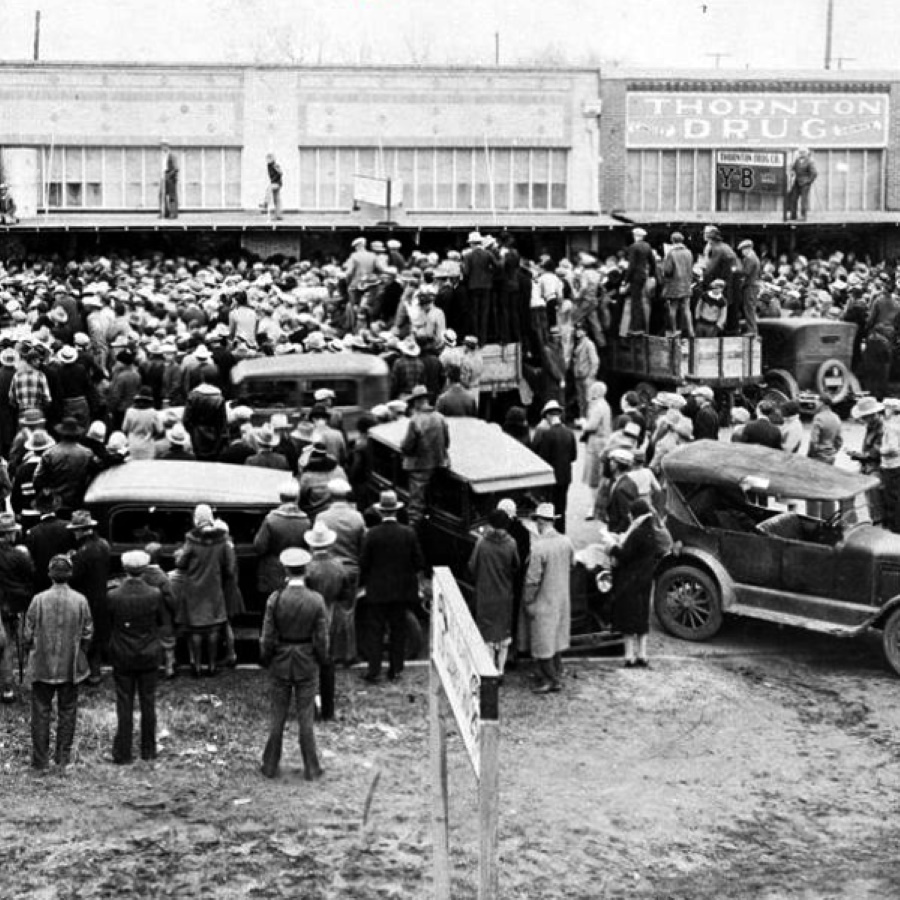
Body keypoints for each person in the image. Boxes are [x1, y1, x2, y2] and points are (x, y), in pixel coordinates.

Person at [259, 547, 329, 780]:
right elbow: (322, 638)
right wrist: (321, 658)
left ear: (286, 571)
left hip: (280, 661)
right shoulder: (316, 600)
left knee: (277, 716)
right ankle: (312, 767)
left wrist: (267, 658)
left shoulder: (275, 598)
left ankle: (270, 765)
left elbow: (267, 636)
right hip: (306, 662)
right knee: (306, 717)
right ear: (306, 570)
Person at [23, 554, 93, 771]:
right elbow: (88, 633)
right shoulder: (80, 600)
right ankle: (62, 758)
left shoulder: (38, 600)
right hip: (70, 667)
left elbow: (27, 634)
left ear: (50, 574)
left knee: (40, 712)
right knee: (68, 711)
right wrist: (80, 654)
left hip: (41, 665)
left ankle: (40, 761)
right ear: (70, 574)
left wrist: (32, 651)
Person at [359, 490, 424, 684]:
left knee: (375, 631)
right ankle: (396, 669)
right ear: (396, 510)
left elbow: (364, 563)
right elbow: (419, 561)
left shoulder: (372, 534)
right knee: (399, 629)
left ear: (380, 511)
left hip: (377, 591)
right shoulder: (408, 533)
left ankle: (374, 670)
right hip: (402, 591)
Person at [107, 550, 165, 764]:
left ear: (125, 569)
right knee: (148, 701)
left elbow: (109, 622)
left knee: (124, 702)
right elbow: (161, 621)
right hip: (148, 652)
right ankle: (148, 749)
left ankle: (123, 752)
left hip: (122, 653)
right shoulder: (155, 594)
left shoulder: (113, 595)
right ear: (144, 569)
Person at [610, 498, 672, 668]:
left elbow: (625, 555)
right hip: (645, 579)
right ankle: (642, 654)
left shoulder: (637, 533)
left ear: (635, 515)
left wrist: (612, 548)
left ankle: (629, 656)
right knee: (642, 616)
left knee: (628, 617)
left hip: (631, 580)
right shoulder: (651, 531)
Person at [177, 504, 237, 677]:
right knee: (213, 628)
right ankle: (211, 665)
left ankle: (196, 666)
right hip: (214, 586)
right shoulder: (222, 539)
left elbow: (181, 563)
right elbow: (230, 568)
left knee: (196, 628)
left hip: (193, 588)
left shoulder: (191, 539)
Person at [522, 503, 573, 694]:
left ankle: (550, 679)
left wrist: (528, 600)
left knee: (542, 642)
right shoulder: (566, 542)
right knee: (556, 640)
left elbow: (532, 580)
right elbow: (572, 564)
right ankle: (557, 671)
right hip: (561, 599)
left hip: (543, 600)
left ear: (540, 522)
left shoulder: (539, 548)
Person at [304, 521, 352, 722]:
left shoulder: (308, 567)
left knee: (308, 660)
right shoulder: (338, 566)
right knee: (328, 661)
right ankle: (328, 708)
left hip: (310, 616)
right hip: (331, 613)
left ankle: (309, 705)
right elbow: (346, 594)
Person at [316, 478, 366, 665]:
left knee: (327, 609)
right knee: (347, 611)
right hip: (351, 567)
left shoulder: (322, 518)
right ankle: (348, 653)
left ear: (330, 495)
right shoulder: (357, 517)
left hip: (328, 567)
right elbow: (363, 545)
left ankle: (327, 651)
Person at [468, 508, 519, 676]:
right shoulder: (511, 543)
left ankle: (490, 670)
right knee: (503, 635)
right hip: (504, 595)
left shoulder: (482, 543)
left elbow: (472, 566)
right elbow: (516, 566)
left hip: (485, 595)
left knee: (487, 636)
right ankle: (501, 669)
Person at [68, 509, 111, 686]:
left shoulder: (83, 552)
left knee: (84, 636)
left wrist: (71, 560)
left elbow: (74, 577)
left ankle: (84, 672)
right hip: (101, 595)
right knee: (97, 636)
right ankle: (96, 672)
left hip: (85, 597)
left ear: (80, 530)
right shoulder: (103, 545)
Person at [401, 384, 450, 527]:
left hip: (420, 467)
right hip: (439, 464)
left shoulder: (415, 420)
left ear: (417, 401)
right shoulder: (440, 418)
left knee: (416, 504)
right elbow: (447, 442)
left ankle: (413, 528)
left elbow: (408, 446)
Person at [253, 481, 311, 601]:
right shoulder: (306, 521)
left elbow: (259, 547)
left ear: (280, 497)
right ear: (298, 498)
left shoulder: (271, 520)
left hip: (273, 572)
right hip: (296, 570)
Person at [0, 512, 34, 702]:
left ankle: (6, 687)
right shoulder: (18, 556)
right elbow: (30, 575)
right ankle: (8, 688)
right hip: (10, 606)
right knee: (9, 647)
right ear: (9, 534)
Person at [531, 399, 577, 531]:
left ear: (548, 416)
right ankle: (561, 530)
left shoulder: (548, 434)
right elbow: (574, 456)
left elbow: (543, 458)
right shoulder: (570, 432)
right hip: (566, 476)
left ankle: (551, 531)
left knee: (550, 506)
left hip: (552, 477)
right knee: (562, 506)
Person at [623, 227, 656, 334]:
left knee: (635, 302)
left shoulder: (633, 247)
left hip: (635, 276)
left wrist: (625, 280)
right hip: (643, 275)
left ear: (635, 236)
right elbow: (653, 262)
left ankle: (636, 327)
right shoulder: (647, 246)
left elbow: (631, 265)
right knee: (641, 301)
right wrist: (651, 274)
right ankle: (642, 326)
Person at [661, 232, 694, 337]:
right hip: (686, 284)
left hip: (674, 284)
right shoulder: (689, 252)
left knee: (673, 308)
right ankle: (691, 331)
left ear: (672, 240)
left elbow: (668, 270)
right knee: (687, 308)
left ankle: (674, 330)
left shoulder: (671, 253)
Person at [880, 399, 900, 532]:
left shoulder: (891, 426)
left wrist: (881, 450)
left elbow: (893, 448)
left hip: (891, 465)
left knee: (891, 497)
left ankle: (894, 527)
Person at [807, 395, 843, 466]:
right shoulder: (836, 417)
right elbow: (839, 440)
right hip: (831, 456)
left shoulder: (819, 418)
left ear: (822, 403)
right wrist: (833, 452)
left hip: (818, 456)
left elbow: (813, 441)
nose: (815, 403)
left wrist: (810, 455)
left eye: (817, 401)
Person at [786, 146, 817, 221]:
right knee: (793, 199)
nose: (801, 154)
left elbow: (814, 173)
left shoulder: (810, 161)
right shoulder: (797, 160)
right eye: (800, 152)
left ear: (806, 153)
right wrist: (791, 170)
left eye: (803, 152)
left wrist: (808, 181)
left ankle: (803, 216)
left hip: (805, 184)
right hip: (797, 182)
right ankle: (793, 216)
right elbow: (793, 169)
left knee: (803, 200)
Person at [737, 239, 760, 335]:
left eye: (743, 250)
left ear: (747, 249)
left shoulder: (750, 258)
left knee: (749, 309)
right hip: (752, 286)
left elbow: (745, 272)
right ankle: (752, 329)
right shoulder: (754, 257)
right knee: (750, 308)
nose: (742, 252)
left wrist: (735, 270)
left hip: (750, 286)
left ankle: (752, 330)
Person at [159, 140, 179, 219]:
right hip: (164, 176)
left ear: (167, 146)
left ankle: (173, 214)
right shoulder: (163, 156)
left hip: (170, 177)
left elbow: (176, 168)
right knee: (162, 195)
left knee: (172, 196)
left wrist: (169, 176)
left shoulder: (172, 155)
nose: (162, 147)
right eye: (162, 146)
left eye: (164, 146)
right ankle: (165, 212)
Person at [264, 153, 284, 221]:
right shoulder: (268, 166)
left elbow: (281, 173)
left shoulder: (275, 165)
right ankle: (278, 216)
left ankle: (266, 203)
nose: (267, 160)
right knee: (277, 200)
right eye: (267, 159)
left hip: (277, 183)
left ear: (272, 159)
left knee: (269, 188)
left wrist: (274, 178)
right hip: (274, 182)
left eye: (269, 159)